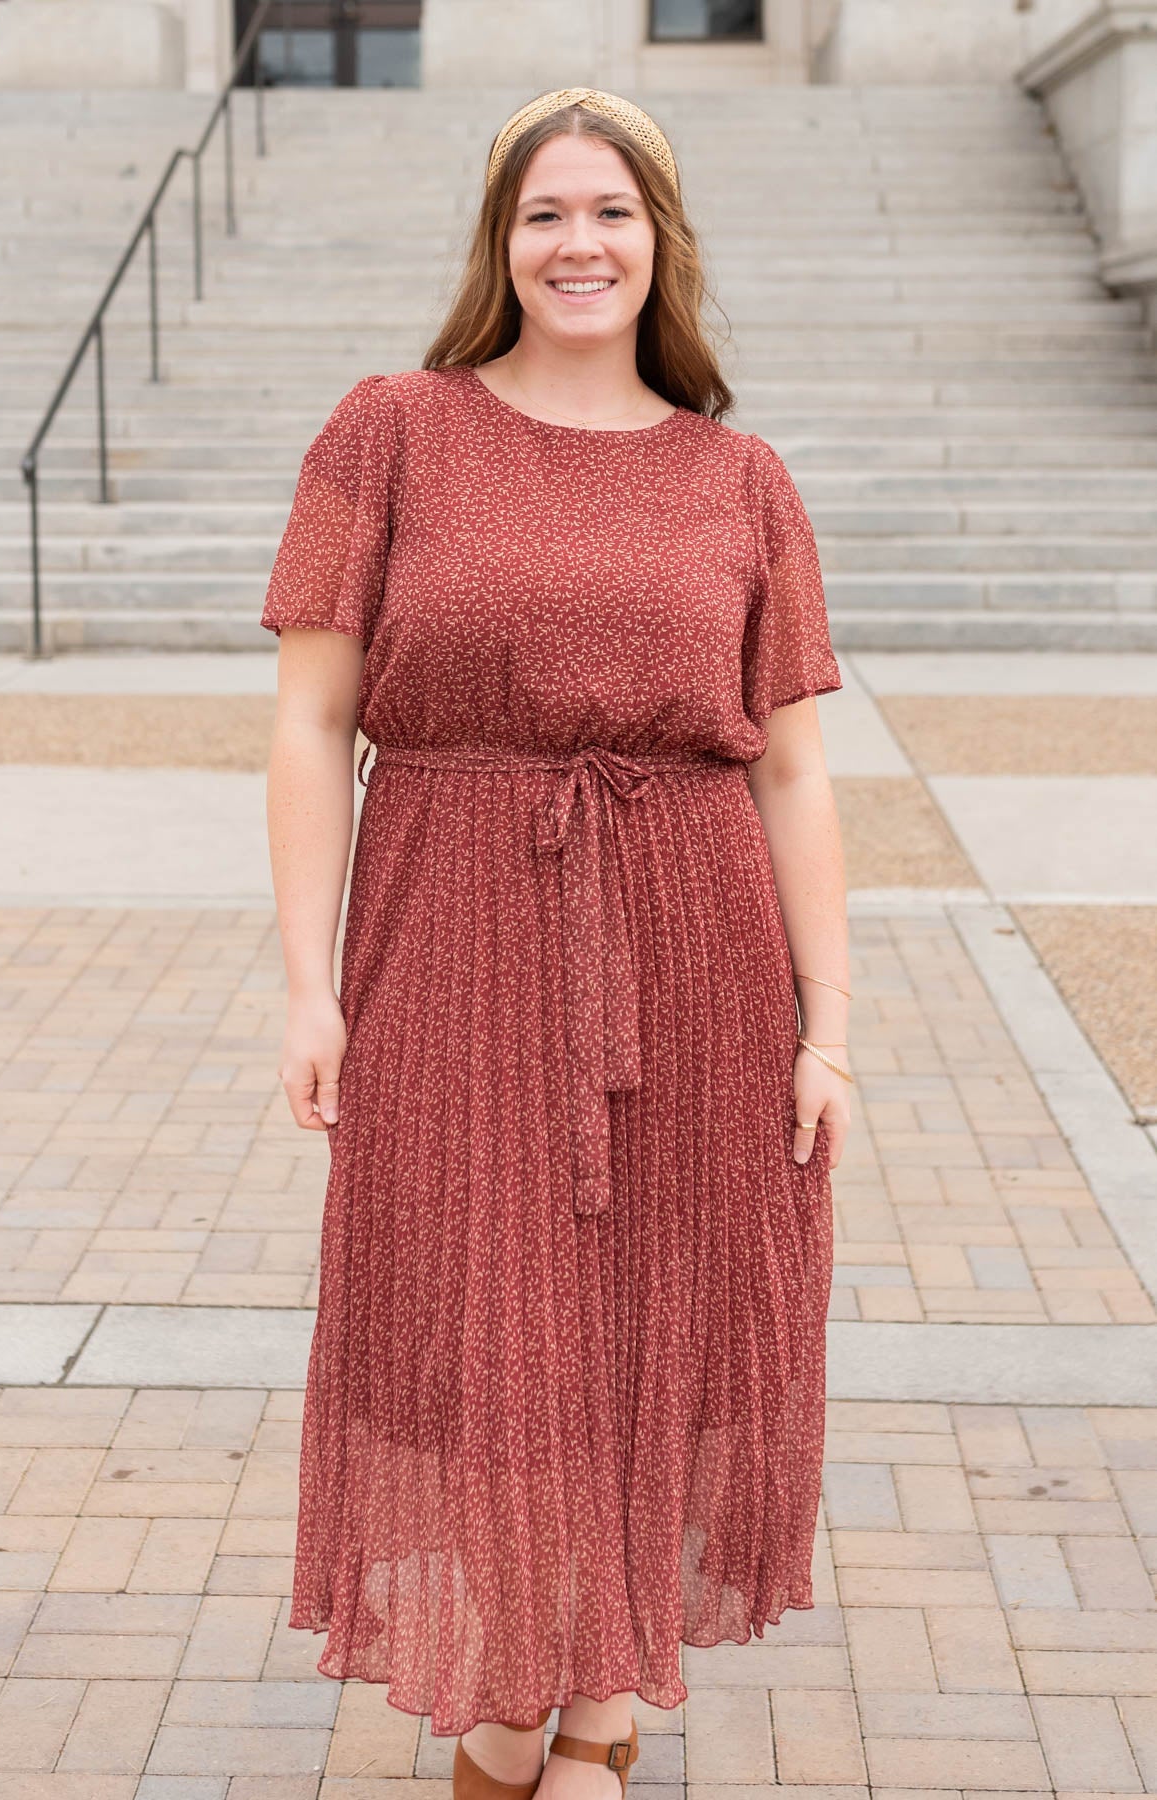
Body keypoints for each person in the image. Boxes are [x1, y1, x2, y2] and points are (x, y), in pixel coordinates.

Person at [261, 85, 852, 1800]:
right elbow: (311, 727)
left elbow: (798, 770)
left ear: (657, 240)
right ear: (499, 246)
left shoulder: (738, 475)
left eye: (609, 212)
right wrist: (308, 987)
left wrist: (826, 1026)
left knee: (656, 1320)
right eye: (544, 214)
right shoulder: (393, 429)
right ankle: (526, 1707)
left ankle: (582, 1720)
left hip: (694, 942)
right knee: (480, 1323)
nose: (576, 243)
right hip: (448, 924)